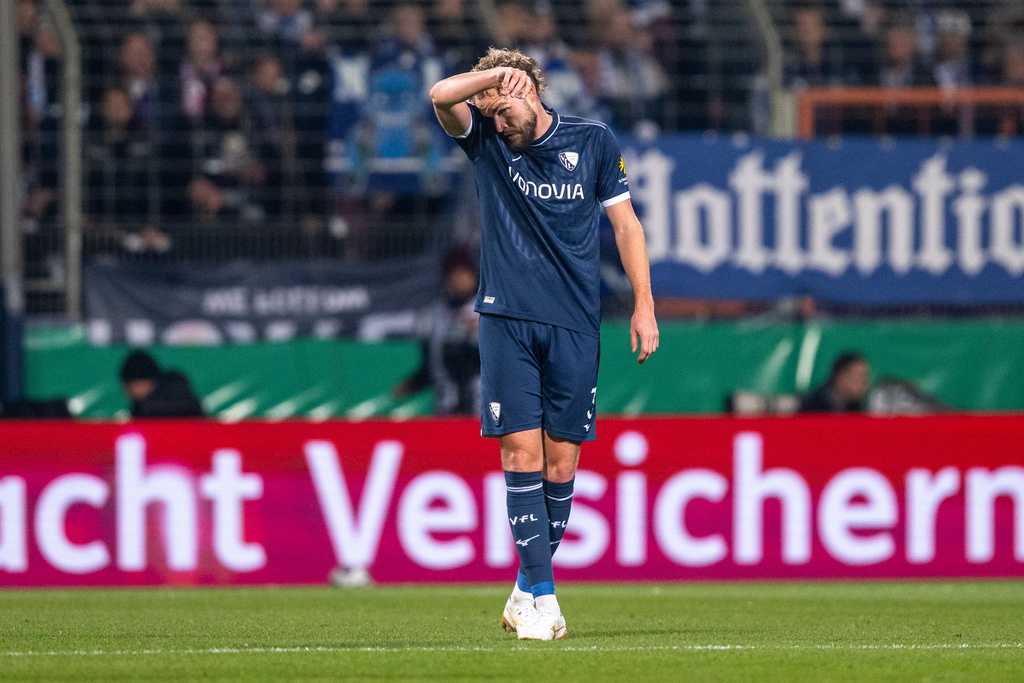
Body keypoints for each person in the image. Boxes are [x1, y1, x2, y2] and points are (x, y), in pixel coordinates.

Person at [429, 48, 659, 641]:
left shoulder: (595, 141)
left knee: (563, 464)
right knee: (519, 455)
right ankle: (547, 601)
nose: (499, 126)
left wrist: (644, 304)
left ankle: (526, 587)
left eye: (504, 112)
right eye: (492, 117)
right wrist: (486, 88)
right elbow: (440, 96)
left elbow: (626, 225)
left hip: (576, 324)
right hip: (506, 319)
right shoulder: (485, 142)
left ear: (529, 91)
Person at [393, 248, 480, 415]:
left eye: (465, 274)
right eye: (455, 274)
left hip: (480, 409)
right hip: (445, 408)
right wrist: (413, 383)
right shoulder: (436, 314)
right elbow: (432, 362)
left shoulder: (484, 312)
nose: (460, 280)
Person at [119, 350, 205, 418]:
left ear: (149, 382)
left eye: (131, 386)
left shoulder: (176, 400)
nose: (127, 392)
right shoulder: (140, 405)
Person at [800, 351, 870, 414]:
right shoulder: (810, 407)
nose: (864, 384)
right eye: (860, 377)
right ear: (840, 376)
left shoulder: (858, 410)